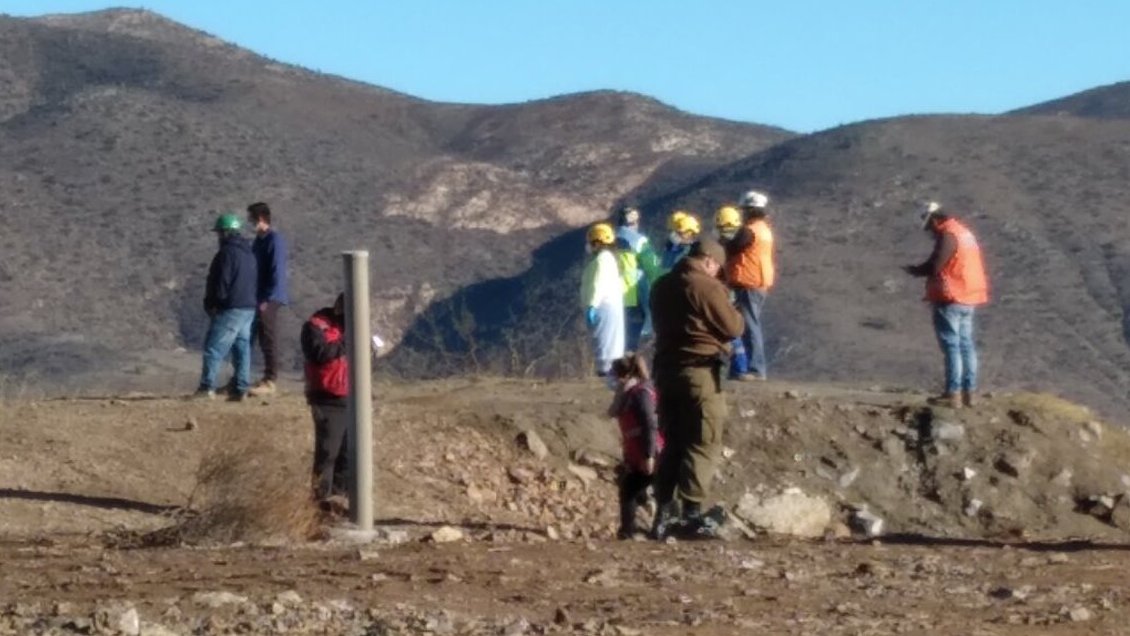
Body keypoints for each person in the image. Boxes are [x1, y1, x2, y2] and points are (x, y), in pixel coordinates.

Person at [649, 238, 744, 539]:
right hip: (699, 372)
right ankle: (692, 511)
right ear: (709, 261)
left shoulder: (661, 285)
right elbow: (733, 328)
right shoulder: (706, 286)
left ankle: (664, 510)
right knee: (702, 439)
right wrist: (733, 309)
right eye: (717, 267)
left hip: (666, 370)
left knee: (673, 440)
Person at [903, 201, 990, 409]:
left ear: (933, 219)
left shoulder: (948, 235)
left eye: (928, 225)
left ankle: (953, 393)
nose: (929, 231)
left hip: (951, 296)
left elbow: (937, 265)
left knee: (952, 345)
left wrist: (916, 271)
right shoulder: (964, 233)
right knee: (966, 344)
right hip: (969, 295)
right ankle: (970, 392)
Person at [196, 213, 258, 401]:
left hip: (231, 307)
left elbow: (222, 281)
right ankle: (240, 388)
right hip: (248, 308)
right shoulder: (248, 253)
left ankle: (207, 388)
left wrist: (216, 303)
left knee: (214, 348)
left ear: (225, 233)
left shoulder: (226, 253)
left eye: (219, 233)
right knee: (242, 348)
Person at [301, 293, 351, 508]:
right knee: (328, 453)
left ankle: (341, 500)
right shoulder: (316, 326)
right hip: (327, 399)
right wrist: (347, 343)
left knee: (348, 455)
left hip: (351, 398)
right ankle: (319, 502)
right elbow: (320, 353)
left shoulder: (352, 329)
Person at [607, 353, 664, 539]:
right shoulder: (632, 393)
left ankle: (631, 531)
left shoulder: (640, 394)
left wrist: (649, 455)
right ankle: (638, 530)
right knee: (638, 489)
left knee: (632, 489)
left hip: (652, 451)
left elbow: (649, 424)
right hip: (639, 452)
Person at [725, 190, 775, 381]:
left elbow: (730, 248)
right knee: (749, 326)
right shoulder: (764, 230)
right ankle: (748, 368)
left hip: (747, 282)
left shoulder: (749, 231)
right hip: (758, 282)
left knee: (749, 327)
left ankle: (754, 369)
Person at [247, 202, 289, 396]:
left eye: (252, 219)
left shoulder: (274, 240)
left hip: (270, 297)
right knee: (251, 336)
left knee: (268, 336)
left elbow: (276, 271)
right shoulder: (259, 241)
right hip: (258, 296)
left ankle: (271, 379)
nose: (250, 223)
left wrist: (267, 299)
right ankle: (242, 378)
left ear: (261, 219)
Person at [614, 205, 662, 351]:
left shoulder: (609, 239)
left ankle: (616, 369)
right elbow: (652, 270)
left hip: (611, 299)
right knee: (632, 341)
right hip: (633, 296)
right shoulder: (639, 241)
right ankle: (630, 369)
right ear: (635, 221)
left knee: (616, 339)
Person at [581, 222, 625, 380]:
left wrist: (592, 304)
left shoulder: (602, 260)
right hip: (608, 306)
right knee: (609, 341)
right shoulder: (609, 259)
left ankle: (607, 371)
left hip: (603, 307)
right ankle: (610, 370)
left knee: (605, 342)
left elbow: (597, 284)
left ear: (597, 242)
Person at [714, 204, 750, 380]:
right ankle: (738, 369)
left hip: (727, 292)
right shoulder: (733, 246)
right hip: (728, 291)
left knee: (730, 331)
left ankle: (739, 368)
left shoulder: (727, 247)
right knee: (731, 331)